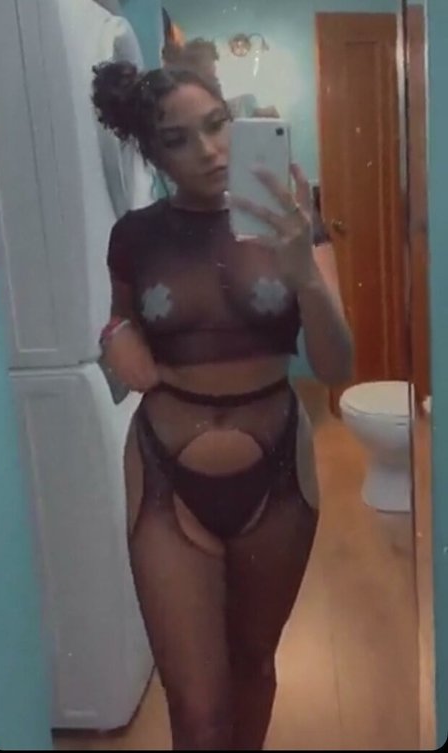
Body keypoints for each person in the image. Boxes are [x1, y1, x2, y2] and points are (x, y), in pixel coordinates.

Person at [92, 61, 353, 750]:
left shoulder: (295, 224)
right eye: (177, 139)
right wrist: (113, 337)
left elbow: (337, 366)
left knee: (253, 666)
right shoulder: (134, 235)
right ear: (153, 155)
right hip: (164, 477)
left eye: (217, 124)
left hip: (279, 475)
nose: (208, 150)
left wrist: (304, 274)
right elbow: (121, 323)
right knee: (198, 708)